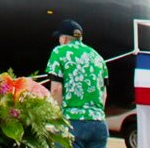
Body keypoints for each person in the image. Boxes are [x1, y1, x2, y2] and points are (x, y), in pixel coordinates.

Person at [45, 19, 108, 148]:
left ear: (63, 39)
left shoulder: (60, 52)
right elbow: (104, 94)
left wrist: (56, 117)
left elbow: (56, 89)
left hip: (72, 122)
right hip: (99, 124)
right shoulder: (97, 57)